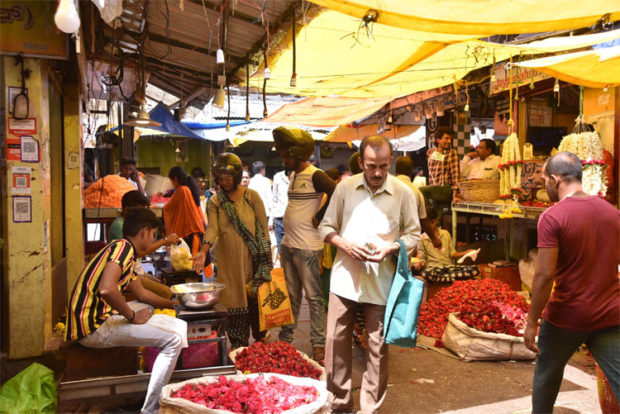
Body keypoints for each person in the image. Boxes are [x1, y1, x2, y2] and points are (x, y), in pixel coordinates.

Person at [319, 135, 420, 414]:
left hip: (382, 281)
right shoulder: (344, 189)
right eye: (372, 165)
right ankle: (339, 405)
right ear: (361, 162)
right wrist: (344, 244)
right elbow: (326, 228)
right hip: (344, 279)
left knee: (377, 347)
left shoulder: (403, 193)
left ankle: (370, 409)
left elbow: (414, 234)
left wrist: (392, 246)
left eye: (384, 166)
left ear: (390, 163)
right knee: (336, 343)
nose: (377, 173)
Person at [524, 152, 620, 413]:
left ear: (555, 180)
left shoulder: (553, 217)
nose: (544, 186)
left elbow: (545, 275)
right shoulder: (612, 213)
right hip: (610, 316)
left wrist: (532, 320)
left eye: (544, 180)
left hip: (566, 317)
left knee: (546, 378)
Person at [65, 208, 184, 414]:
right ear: (144, 232)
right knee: (173, 340)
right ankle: (151, 409)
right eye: (154, 235)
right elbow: (107, 289)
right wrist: (131, 316)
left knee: (161, 317)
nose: (153, 240)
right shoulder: (123, 250)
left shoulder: (120, 249)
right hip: (93, 327)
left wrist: (175, 304)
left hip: (96, 321)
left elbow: (143, 295)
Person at [192, 153, 272, 348]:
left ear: (237, 177)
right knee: (234, 301)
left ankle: (260, 343)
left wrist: (266, 261)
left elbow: (263, 227)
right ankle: (239, 346)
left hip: (255, 261)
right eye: (220, 179)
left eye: (228, 179)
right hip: (230, 263)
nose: (224, 183)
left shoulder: (252, 197)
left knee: (257, 302)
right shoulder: (216, 201)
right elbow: (212, 228)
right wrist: (203, 250)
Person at [273, 127, 336, 363]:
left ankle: (319, 345)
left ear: (298, 154)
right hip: (289, 245)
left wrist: (321, 217)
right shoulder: (292, 176)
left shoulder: (315, 175)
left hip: (309, 247)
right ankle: (285, 340)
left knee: (314, 298)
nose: (283, 158)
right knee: (291, 297)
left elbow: (337, 193)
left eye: (286, 154)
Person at [108, 190, 180, 299]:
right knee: (166, 293)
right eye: (140, 210)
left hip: (135, 272)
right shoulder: (119, 226)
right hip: (127, 277)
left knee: (161, 285)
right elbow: (139, 252)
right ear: (127, 210)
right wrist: (165, 240)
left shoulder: (129, 223)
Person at [413, 209, 479, 283]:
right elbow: (422, 258)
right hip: (433, 270)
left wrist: (467, 252)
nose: (429, 226)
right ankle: (451, 278)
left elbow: (453, 253)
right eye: (426, 224)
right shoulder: (421, 238)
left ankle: (447, 278)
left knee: (474, 270)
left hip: (448, 268)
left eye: (431, 222)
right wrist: (421, 263)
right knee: (426, 273)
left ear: (436, 220)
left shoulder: (445, 234)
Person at [395, 156, 442, 249]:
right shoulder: (416, 192)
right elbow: (423, 220)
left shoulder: (388, 186)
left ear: (396, 170)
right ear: (412, 171)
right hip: (406, 242)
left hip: (387, 239)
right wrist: (434, 239)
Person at [163, 167, 207, 257]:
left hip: (189, 231)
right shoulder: (189, 188)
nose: (172, 184)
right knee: (195, 262)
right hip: (195, 229)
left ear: (175, 179)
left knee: (189, 262)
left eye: (171, 181)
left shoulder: (182, 190)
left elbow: (167, 208)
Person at [270, 168, 291, 252]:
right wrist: (271, 220)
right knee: (281, 252)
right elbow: (274, 199)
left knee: (294, 253)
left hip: (295, 222)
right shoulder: (278, 177)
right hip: (279, 220)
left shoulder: (299, 177)